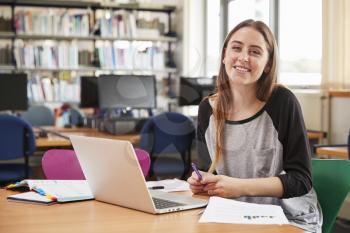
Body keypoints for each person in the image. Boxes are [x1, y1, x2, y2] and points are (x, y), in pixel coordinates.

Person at [188, 19, 322, 232]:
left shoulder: (282, 102)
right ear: (224, 55)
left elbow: (301, 180)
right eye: (236, 48)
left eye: (255, 52)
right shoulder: (208, 109)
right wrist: (201, 182)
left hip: (288, 219)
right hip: (232, 215)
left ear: (268, 64)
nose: (243, 57)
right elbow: (207, 170)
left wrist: (238, 187)